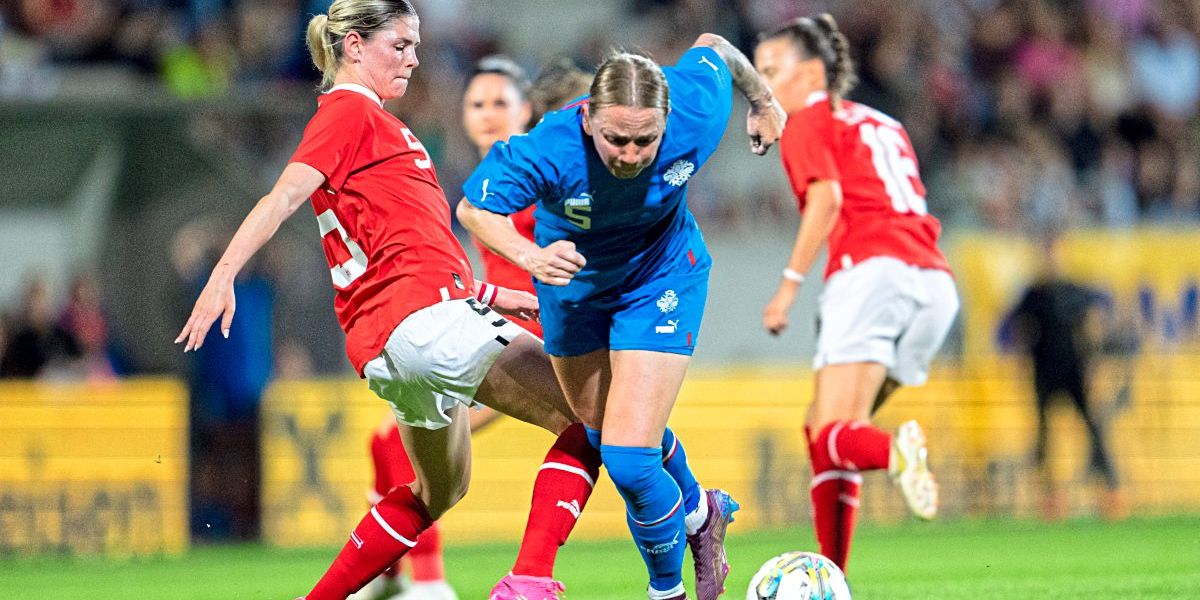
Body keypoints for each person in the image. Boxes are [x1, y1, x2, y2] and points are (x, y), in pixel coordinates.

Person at [173, 3, 601, 599]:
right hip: (428, 325)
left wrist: (509, 297)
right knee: (596, 418)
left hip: (395, 343)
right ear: (353, 45)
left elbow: (414, 258)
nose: (414, 58)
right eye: (400, 45)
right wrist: (223, 275)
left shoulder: (379, 130)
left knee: (439, 492)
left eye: (416, 45)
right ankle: (528, 578)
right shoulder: (349, 113)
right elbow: (281, 197)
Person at [457, 35, 786, 600]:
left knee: (629, 460)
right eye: (616, 140)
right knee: (600, 427)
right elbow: (473, 209)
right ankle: (700, 512)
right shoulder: (549, 148)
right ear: (587, 120)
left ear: (667, 120)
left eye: (646, 140)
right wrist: (532, 257)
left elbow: (713, 47)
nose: (631, 156)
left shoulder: (697, 110)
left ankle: (668, 591)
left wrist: (762, 100)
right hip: (575, 293)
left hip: (661, 281)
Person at [351, 55, 593, 600]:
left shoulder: (537, 172)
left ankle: (427, 584)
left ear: (526, 109)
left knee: (400, 445)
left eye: (499, 104)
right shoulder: (482, 181)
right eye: (476, 105)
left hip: (526, 335)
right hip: (485, 325)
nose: (486, 115)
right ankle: (392, 578)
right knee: (389, 443)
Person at [754, 14, 959, 573]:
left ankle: (897, 453)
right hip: (933, 284)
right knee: (826, 429)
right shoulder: (883, 122)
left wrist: (787, 289)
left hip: (870, 276)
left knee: (833, 432)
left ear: (813, 70)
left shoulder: (805, 122)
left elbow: (827, 200)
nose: (763, 84)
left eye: (772, 70)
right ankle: (833, 573)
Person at [1001, 236, 1124, 520]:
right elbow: (1020, 331)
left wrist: (1093, 366)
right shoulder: (1033, 295)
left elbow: (1090, 331)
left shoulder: (1075, 291)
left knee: (1093, 430)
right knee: (1044, 435)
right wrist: (1021, 363)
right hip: (1043, 371)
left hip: (1074, 371)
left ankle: (1110, 491)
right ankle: (1050, 496)